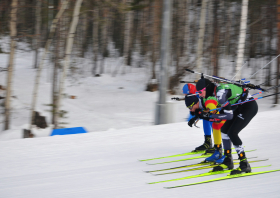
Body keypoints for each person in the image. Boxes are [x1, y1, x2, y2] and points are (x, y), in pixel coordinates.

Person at [195, 77, 258, 175]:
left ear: (206, 89)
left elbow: (228, 116)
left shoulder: (220, 94)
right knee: (224, 130)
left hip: (248, 107)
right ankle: (228, 161)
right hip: (238, 106)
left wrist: (209, 116)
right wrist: (208, 116)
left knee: (232, 133)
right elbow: (222, 113)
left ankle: (244, 164)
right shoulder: (215, 91)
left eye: (200, 92)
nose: (199, 94)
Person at [185, 94, 226, 162]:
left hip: (232, 111)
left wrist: (200, 115)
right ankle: (217, 151)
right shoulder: (201, 102)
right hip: (224, 112)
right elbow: (204, 113)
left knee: (217, 125)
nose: (191, 110)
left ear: (196, 103)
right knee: (211, 123)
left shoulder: (209, 103)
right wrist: (195, 117)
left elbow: (217, 118)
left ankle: (226, 154)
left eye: (190, 107)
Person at [182, 84, 213, 153]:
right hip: (204, 106)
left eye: (186, 94)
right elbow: (199, 111)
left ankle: (218, 146)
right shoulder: (196, 100)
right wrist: (194, 117)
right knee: (206, 118)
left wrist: (197, 115)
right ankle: (208, 143)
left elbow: (211, 114)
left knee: (210, 119)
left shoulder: (204, 99)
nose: (185, 95)